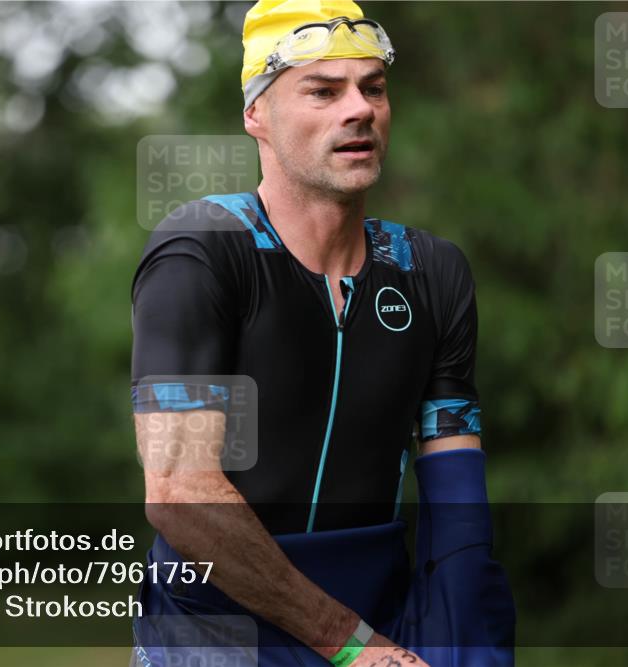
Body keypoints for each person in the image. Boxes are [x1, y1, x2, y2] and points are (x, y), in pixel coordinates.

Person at [129, 1, 514, 665]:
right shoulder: (204, 251)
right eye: (323, 91)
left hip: (378, 628)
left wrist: (470, 652)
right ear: (257, 115)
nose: (358, 108)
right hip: (223, 635)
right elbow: (181, 495)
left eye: (373, 87)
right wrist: (349, 644)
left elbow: (457, 508)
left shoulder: (429, 271)